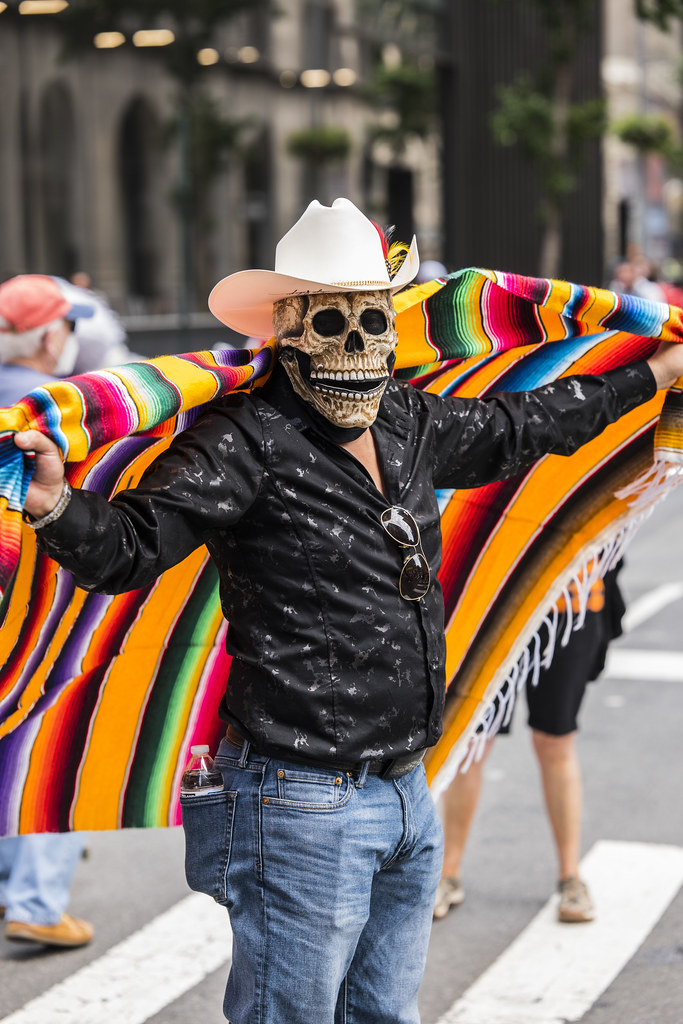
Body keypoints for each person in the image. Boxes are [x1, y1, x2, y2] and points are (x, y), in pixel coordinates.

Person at [11, 198, 683, 1021]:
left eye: (373, 321)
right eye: (332, 322)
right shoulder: (243, 439)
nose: (359, 347)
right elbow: (129, 549)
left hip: (405, 789)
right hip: (299, 801)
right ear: (287, 332)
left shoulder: (405, 415)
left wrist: (653, 374)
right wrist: (52, 503)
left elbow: (523, 424)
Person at [433, 566, 625, 925]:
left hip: (572, 605)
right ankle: (448, 873)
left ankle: (571, 877)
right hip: (497, 601)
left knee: (555, 741)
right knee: (472, 742)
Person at [0, 274, 96, 947]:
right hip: (34, 603)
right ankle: (34, 899)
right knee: (59, 729)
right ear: (48, 336)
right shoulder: (50, 411)